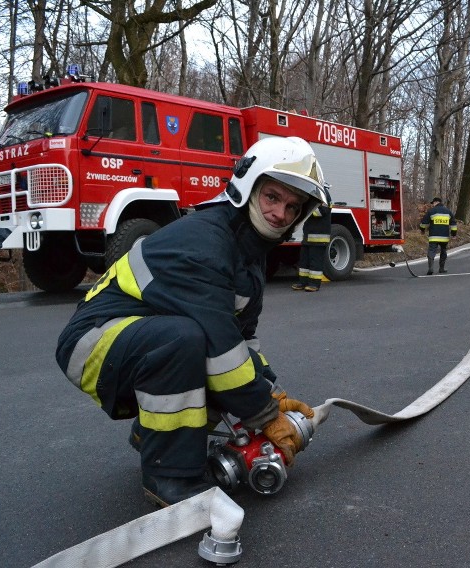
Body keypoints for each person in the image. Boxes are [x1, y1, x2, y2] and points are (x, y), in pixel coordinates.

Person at [55, 136, 327, 507]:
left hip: (136, 338)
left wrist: (272, 394)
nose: (281, 213)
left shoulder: (248, 255)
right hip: (93, 344)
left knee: (209, 353)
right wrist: (263, 413)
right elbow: (220, 347)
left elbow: (241, 340)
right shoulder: (206, 241)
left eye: (293, 206)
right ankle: (169, 477)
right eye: (273, 197)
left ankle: (152, 437)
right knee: (187, 341)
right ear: (248, 188)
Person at [292, 188, 332, 292]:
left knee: (315, 262)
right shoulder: (312, 194)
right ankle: (303, 282)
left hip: (319, 236)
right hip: (308, 236)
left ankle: (314, 284)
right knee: (304, 261)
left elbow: (323, 211)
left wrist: (307, 208)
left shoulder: (324, 193)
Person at [419, 196, 457, 275]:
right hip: (444, 237)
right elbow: (453, 224)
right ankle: (441, 269)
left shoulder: (431, 211)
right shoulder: (448, 211)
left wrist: (422, 230)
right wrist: (454, 234)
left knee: (431, 251)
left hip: (433, 236)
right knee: (443, 251)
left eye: (433, 203)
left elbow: (423, 223)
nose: (432, 205)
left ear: (436, 202)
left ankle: (431, 268)